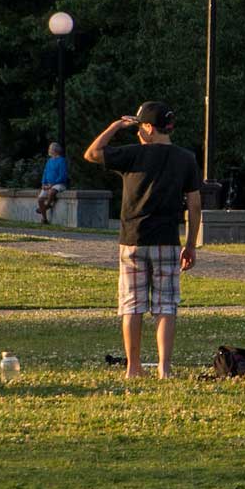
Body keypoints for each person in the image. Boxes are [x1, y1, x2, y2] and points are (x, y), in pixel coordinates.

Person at [84, 102, 202, 379]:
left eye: (139, 127)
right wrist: (191, 244)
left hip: (132, 240)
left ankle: (133, 368)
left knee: (132, 304)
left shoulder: (133, 155)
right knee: (166, 305)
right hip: (167, 241)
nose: (137, 133)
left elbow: (91, 153)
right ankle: (164, 369)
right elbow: (195, 206)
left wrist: (116, 126)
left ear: (148, 127)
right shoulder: (186, 158)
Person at [37, 142, 69, 222]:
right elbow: (45, 172)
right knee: (40, 199)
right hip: (48, 185)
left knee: (52, 192)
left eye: (50, 148)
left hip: (59, 184)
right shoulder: (49, 161)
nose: (49, 150)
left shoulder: (61, 160)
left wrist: (52, 184)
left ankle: (47, 205)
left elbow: (63, 175)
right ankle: (44, 219)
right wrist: (43, 183)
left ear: (55, 150)